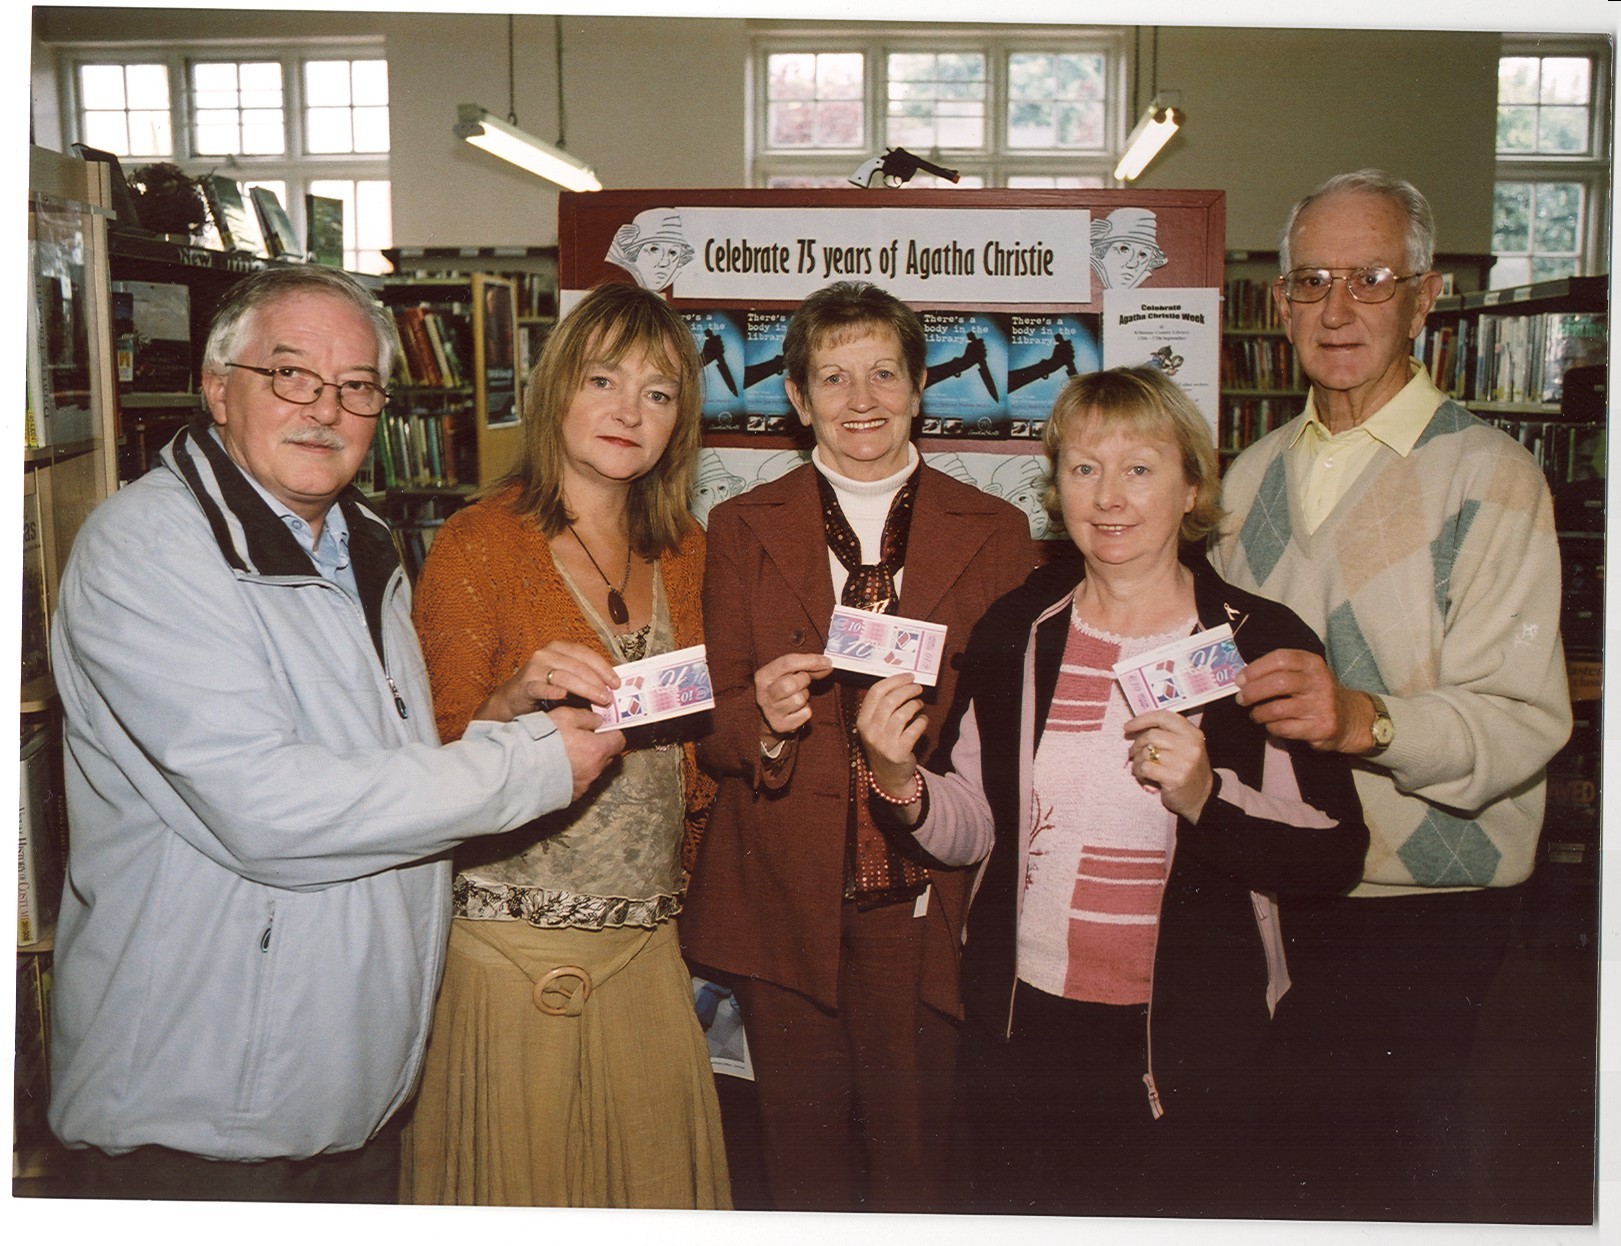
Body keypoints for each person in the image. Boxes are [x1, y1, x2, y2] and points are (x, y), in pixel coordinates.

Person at [46, 265, 623, 1203]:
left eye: (356, 386)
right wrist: (527, 765)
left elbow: (366, 776)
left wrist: (498, 715)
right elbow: (268, 810)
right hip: (200, 1111)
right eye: (290, 375)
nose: (325, 409)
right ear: (216, 388)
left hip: (340, 1091)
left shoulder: (356, 540)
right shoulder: (149, 549)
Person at [856, 365, 1370, 1218]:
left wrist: (1209, 796)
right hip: (1028, 1020)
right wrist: (899, 781)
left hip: (1193, 1035)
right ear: (1056, 488)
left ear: (1191, 486)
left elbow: (1331, 851)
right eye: (1083, 468)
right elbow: (973, 827)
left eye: (1139, 468)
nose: (1108, 497)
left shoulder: (1260, 642)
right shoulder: (1018, 631)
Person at [1209, 169, 1573, 1220]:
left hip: (1421, 907)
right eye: (1311, 280)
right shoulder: (1245, 479)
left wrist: (1362, 717)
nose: (1336, 310)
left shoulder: (1492, 477)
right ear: (1277, 303)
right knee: (1272, 1175)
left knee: (1393, 1182)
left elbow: (1521, 720)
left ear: (1423, 300)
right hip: (1272, 883)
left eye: (1370, 279)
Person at [680, 280, 1035, 1213]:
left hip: (924, 895)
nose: (861, 399)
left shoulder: (996, 532)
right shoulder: (742, 527)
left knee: (919, 1165)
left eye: (884, 372)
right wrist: (759, 719)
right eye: (832, 377)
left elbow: (1010, 732)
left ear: (921, 387)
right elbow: (709, 720)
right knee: (799, 1169)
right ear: (796, 400)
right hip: (781, 894)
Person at [398, 282, 730, 1208]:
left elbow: (699, 764)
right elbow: (429, 759)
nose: (629, 410)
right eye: (603, 379)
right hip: (506, 949)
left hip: (647, 946)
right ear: (556, 393)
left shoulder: (691, 551)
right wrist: (511, 698)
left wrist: (769, 735)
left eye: (658, 393)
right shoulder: (476, 546)